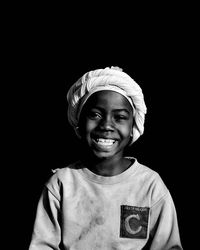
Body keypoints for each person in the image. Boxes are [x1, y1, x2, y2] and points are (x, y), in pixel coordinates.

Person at [29, 66, 183, 250]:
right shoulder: (61, 184)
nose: (106, 125)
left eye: (119, 117)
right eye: (95, 114)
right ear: (79, 122)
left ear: (133, 127)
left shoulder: (150, 186)